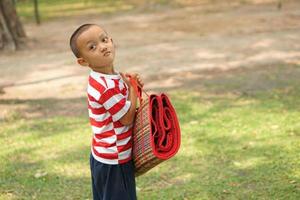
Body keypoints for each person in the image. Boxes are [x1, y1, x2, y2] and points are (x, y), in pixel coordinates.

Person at [69, 23, 143, 200]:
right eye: (92, 47)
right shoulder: (105, 87)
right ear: (83, 61)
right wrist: (133, 88)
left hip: (106, 156)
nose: (102, 47)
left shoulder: (111, 76)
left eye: (104, 40)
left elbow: (124, 103)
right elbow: (126, 118)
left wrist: (130, 85)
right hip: (114, 159)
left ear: (112, 41)